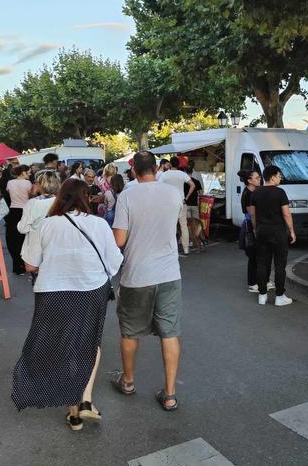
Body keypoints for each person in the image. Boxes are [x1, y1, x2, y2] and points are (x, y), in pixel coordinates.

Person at [12, 178, 122, 431]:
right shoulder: (99, 224)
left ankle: (74, 410)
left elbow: (30, 265)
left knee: (61, 346)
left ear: (61, 197)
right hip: (91, 291)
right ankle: (83, 401)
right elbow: (114, 262)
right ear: (86, 198)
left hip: (53, 293)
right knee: (89, 343)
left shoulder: (47, 225)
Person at [110, 151, 183, 411]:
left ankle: (128, 381)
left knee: (130, 330)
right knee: (169, 331)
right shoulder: (174, 194)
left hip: (137, 275)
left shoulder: (127, 196)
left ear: (133, 171)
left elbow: (119, 240)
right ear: (156, 168)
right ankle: (170, 393)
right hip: (169, 273)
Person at [248, 165, 296, 306]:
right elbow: (286, 214)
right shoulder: (280, 193)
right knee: (280, 264)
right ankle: (279, 296)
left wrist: (256, 228)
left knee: (262, 263)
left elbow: (253, 214)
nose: (280, 178)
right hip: (278, 231)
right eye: (279, 175)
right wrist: (292, 230)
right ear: (273, 176)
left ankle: (262, 295)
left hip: (262, 230)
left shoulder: (255, 193)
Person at [18, 170, 61, 279]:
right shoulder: (61, 201)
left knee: (40, 283)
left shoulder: (33, 203)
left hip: (38, 249)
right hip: (57, 246)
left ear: (41, 185)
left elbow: (22, 228)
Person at [157, 157, 195, 256]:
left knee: (170, 226)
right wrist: (186, 197)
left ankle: (171, 249)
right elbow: (192, 185)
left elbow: (158, 187)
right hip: (181, 202)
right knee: (183, 225)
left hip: (169, 204)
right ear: (178, 164)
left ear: (170, 164)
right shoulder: (182, 174)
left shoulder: (165, 175)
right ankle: (186, 249)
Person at [6, 165, 33, 275]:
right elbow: (30, 196)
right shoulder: (28, 183)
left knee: (13, 239)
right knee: (24, 239)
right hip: (25, 210)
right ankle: (25, 264)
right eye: (28, 172)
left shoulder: (10, 183)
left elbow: (8, 193)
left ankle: (17, 266)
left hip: (13, 211)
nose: (30, 174)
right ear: (23, 173)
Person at [239, 169, 262, 292]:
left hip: (253, 224)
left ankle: (259, 281)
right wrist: (256, 229)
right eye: (257, 178)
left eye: (259, 177)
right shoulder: (248, 194)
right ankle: (252, 283)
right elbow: (252, 214)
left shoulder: (254, 191)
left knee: (257, 255)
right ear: (249, 180)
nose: (259, 179)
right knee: (253, 256)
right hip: (250, 226)